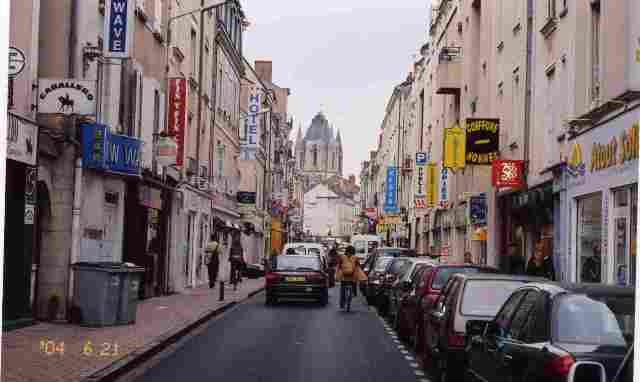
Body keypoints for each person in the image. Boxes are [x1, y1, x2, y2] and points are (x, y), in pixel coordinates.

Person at [335, 245, 367, 310]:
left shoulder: (345, 257)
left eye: (351, 253)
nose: (350, 254)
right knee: (348, 287)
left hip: (348, 276)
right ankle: (350, 297)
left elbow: (339, 266)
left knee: (345, 289)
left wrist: (337, 275)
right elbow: (358, 267)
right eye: (350, 252)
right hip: (348, 276)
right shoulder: (351, 257)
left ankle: (344, 302)